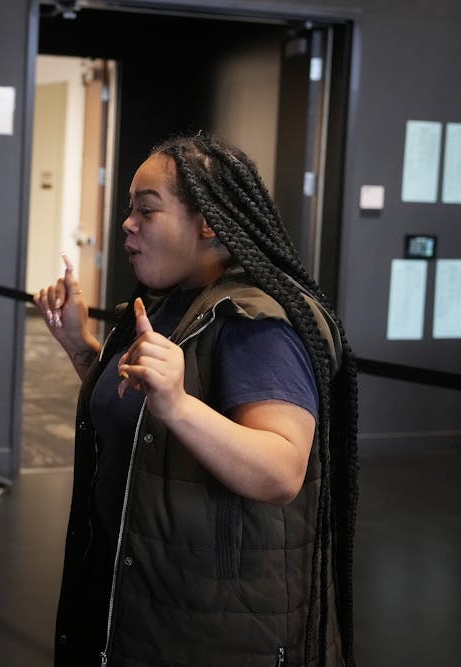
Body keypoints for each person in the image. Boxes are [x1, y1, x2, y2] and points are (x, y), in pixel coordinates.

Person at [34, 133, 358, 666]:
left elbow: (281, 469)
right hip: (145, 603)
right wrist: (81, 347)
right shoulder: (173, 304)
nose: (128, 224)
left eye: (147, 210)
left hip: (212, 630)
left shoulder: (256, 323)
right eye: (129, 210)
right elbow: (145, 418)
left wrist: (180, 405)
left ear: (208, 222)